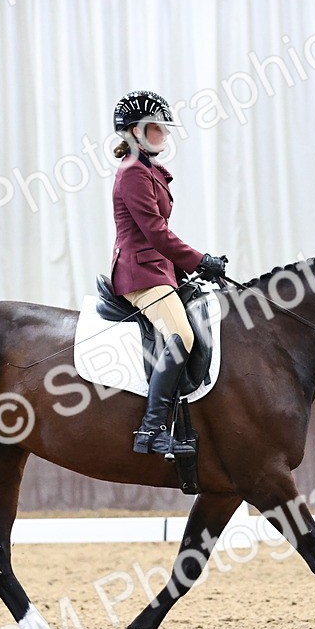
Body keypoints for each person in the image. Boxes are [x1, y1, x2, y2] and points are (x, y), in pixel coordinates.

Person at [110, 90, 227, 456]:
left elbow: (160, 235)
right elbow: (155, 233)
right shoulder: (132, 174)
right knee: (181, 333)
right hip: (138, 274)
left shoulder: (148, 171)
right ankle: (153, 429)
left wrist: (191, 268)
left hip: (157, 270)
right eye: (156, 127)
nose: (164, 133)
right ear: (135, 132)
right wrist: (198, 260)